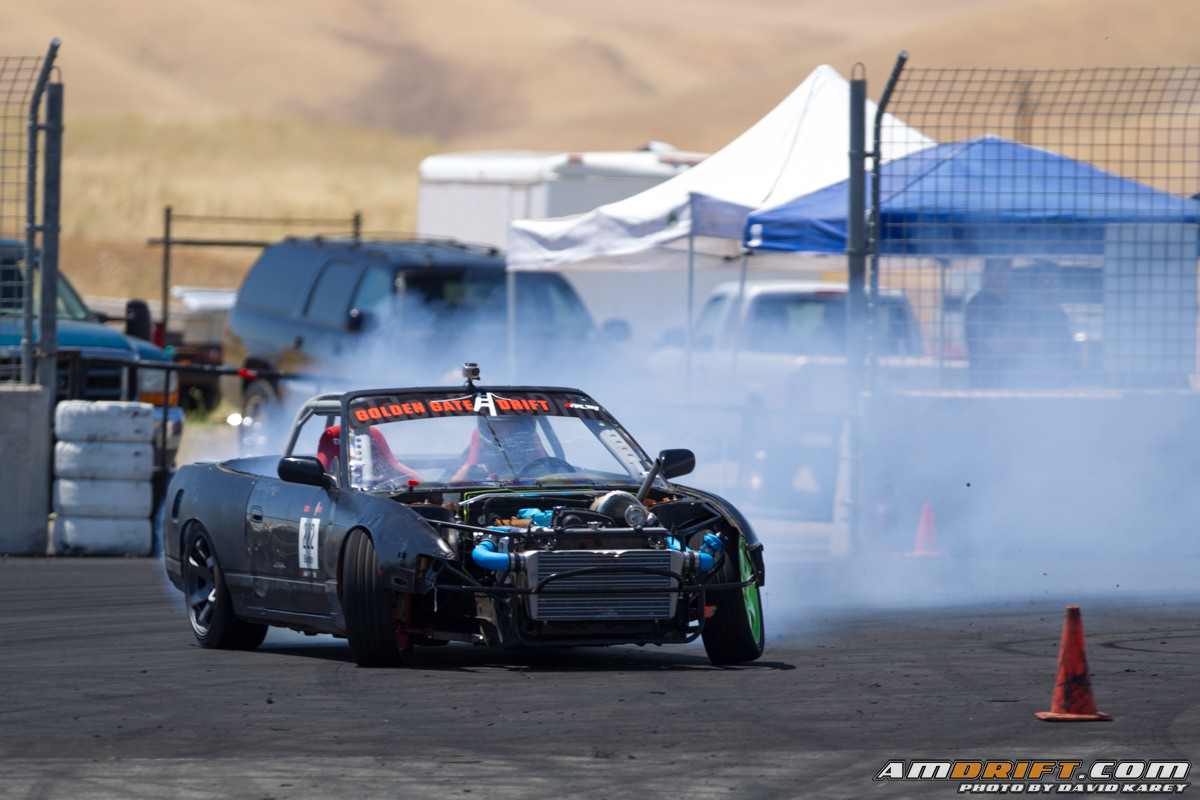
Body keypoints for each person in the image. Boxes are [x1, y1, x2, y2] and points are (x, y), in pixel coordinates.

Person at [964, 258, 1023, 388]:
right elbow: (998, 345)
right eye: (996, 268)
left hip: (1016, 383)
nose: (1001, 273)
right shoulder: (978, 304)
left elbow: (1029, 342)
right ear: (986, 271)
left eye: (1005, 268)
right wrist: (1017, 345)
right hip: (985, 382)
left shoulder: (1016, 302)